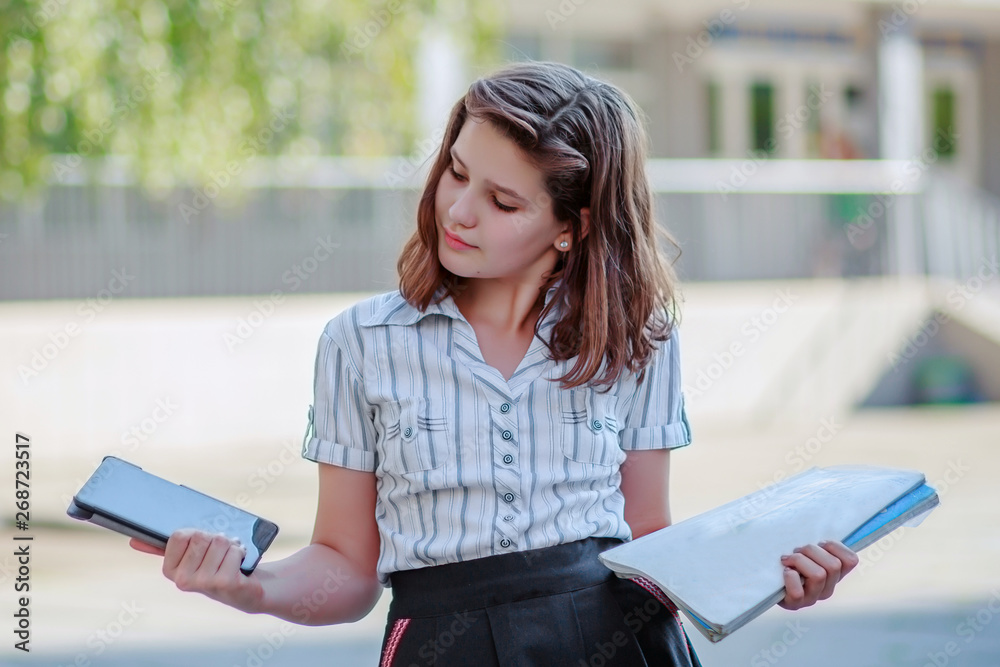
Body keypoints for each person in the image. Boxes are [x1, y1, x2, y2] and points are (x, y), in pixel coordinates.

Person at [129, 61, 859, 666]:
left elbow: (650, 544)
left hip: (625, 642)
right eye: (455, 171)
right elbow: (349, 568)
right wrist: (252, 587)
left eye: (503, 200)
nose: (459, 211)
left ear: (571, 228)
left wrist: (769, 579)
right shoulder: (359, 341)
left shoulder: (641, 335)